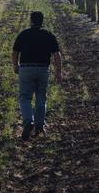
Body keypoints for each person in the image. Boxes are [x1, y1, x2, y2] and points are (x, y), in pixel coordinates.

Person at [11, 10, 64, 140]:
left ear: (31, 21)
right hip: (42, 69)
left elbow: (15, 52)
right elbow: (57, 55)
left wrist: (16, 65)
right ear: (42, 21)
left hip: (26, 69)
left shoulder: (23, 34)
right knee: (41, 97)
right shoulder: (48, 35)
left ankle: (28, 121)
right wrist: (58, 72)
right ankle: (39, 126)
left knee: (25, 97)